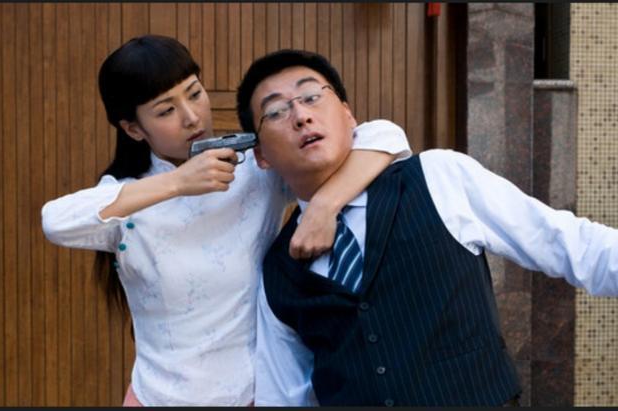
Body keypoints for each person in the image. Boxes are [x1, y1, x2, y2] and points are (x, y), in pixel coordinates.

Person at [235, 49, 618, 407]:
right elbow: (283, 396)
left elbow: (566, 243)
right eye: (276, 112)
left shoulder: (438, 177)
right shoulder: (278, 271)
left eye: (312, 97)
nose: (301, 116)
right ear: (261, 156)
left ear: (349, 116)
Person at [40, 35, 411, 406]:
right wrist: (177, 183)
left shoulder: (252, 168)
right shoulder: (128, 199)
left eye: (194, 93)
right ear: (134, 129)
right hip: (159, 398)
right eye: (166, 111)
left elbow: (385, 136)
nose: (191, 116)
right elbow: (55, 221)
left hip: (257, 395)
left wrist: (324, 207)